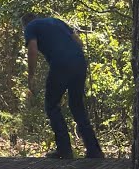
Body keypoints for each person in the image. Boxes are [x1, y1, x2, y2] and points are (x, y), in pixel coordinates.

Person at [22, 13, 103, 159]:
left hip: (61, 65)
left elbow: (32, 50)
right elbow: (78, 42)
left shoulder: (30, 27)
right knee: (76, 105)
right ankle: (94, 150)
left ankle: (64, 150)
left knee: (52, 105)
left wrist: (31, 76)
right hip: (79, 62)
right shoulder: (56, 21)